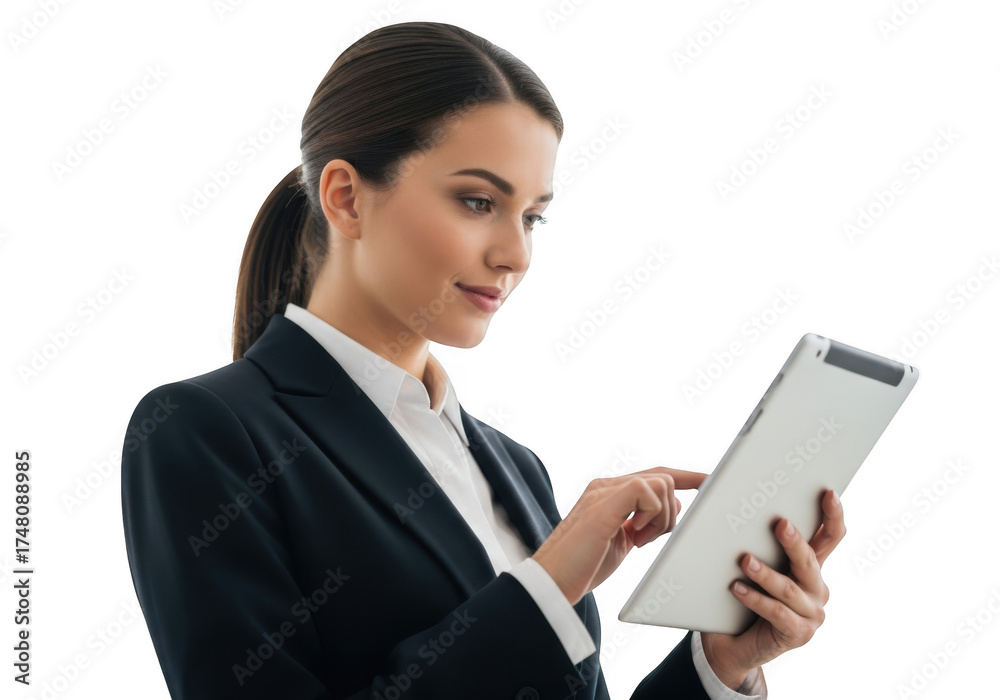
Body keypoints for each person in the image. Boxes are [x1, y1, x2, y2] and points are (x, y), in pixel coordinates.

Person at [120, 21, 845, 699]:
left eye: (532, 216)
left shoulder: (516, 468)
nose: (516, 254)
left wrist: (721, 664)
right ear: (346, 198)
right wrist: (544, 588)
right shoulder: (204, 430)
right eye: (476, 202)